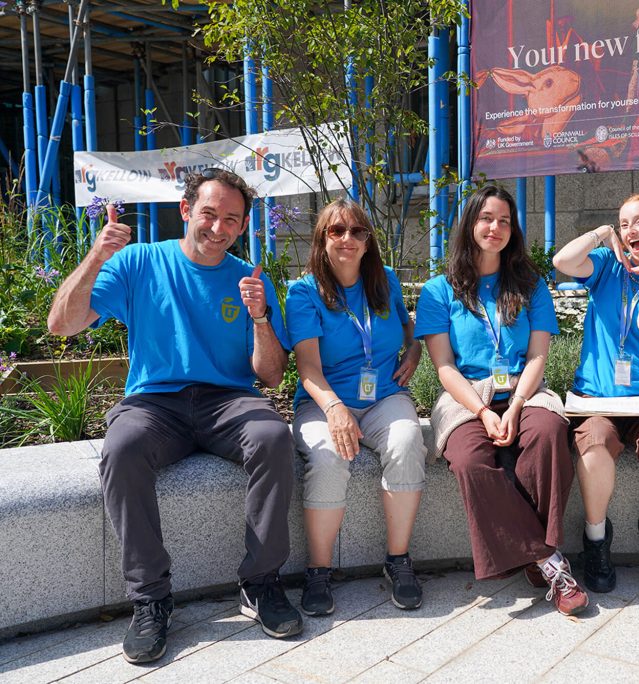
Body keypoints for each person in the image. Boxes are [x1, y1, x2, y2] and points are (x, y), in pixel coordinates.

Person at [47, 169, 302, 664]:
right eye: (209, 214)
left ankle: (260, 583)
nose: (218, 228)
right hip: (155, 402)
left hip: (228, 401)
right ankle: (151, 599)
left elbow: (271, 377)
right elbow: (62, 324)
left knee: (273, 436)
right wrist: (97, 255)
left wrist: (260, 318)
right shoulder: (139, 261)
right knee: (121, 448)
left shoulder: (251, 277)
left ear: (243, 225)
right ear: (186, 210)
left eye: (231, 219)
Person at [415, 185, 588, 616]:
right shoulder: (439, 290)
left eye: (505, 221)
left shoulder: (530, 286)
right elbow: (444, 367)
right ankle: (548, 559)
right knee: (469, 460)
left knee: (548, 433)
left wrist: (516, 405)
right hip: (466, 394)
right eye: (486, 218)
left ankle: (535, 556)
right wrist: (480, 411)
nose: (495, 227)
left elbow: (538, 356)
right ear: (470, 224)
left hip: (524, 389)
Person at [287, 199, 427, 615]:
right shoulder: (304, 292)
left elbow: (409, 329)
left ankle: (398, 560)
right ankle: (319, 570)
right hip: (324, 401)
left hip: (384, 397)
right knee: (327, 457)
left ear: (368, 242)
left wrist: (414, 349)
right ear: (322, 239)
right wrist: (334, 408)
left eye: (357, 231)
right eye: (336, 231)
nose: (347, 238)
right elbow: (308, 367)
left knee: (407, 441)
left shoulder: (385, 281)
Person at [552, 192, 639, 594]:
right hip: (596, 398)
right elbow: (562, 261)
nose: (630, 231)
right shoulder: (607, 265)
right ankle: (596, 539)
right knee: (594, 445)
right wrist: (601, 233)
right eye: (624, 223)